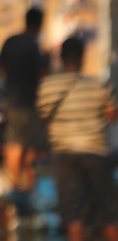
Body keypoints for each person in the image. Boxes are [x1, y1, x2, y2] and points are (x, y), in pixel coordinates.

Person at [37, 35, 118, 241]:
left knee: (73, 215)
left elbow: (44, 116)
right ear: (83, 58)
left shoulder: (47, 86)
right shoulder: (99, 85)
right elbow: (113, 116)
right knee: (108, 214)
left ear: (61, 58)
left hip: (64, 154)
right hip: (95, 152)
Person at [0, 6, 47, 202]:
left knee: (15, 142)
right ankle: (23, 188)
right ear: (39, 24)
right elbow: (42, 76)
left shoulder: (10, 42)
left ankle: (15, 185)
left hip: (10, 101)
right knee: (25, 145)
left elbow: (1, 68)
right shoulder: (35, 46)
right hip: (29, 102)